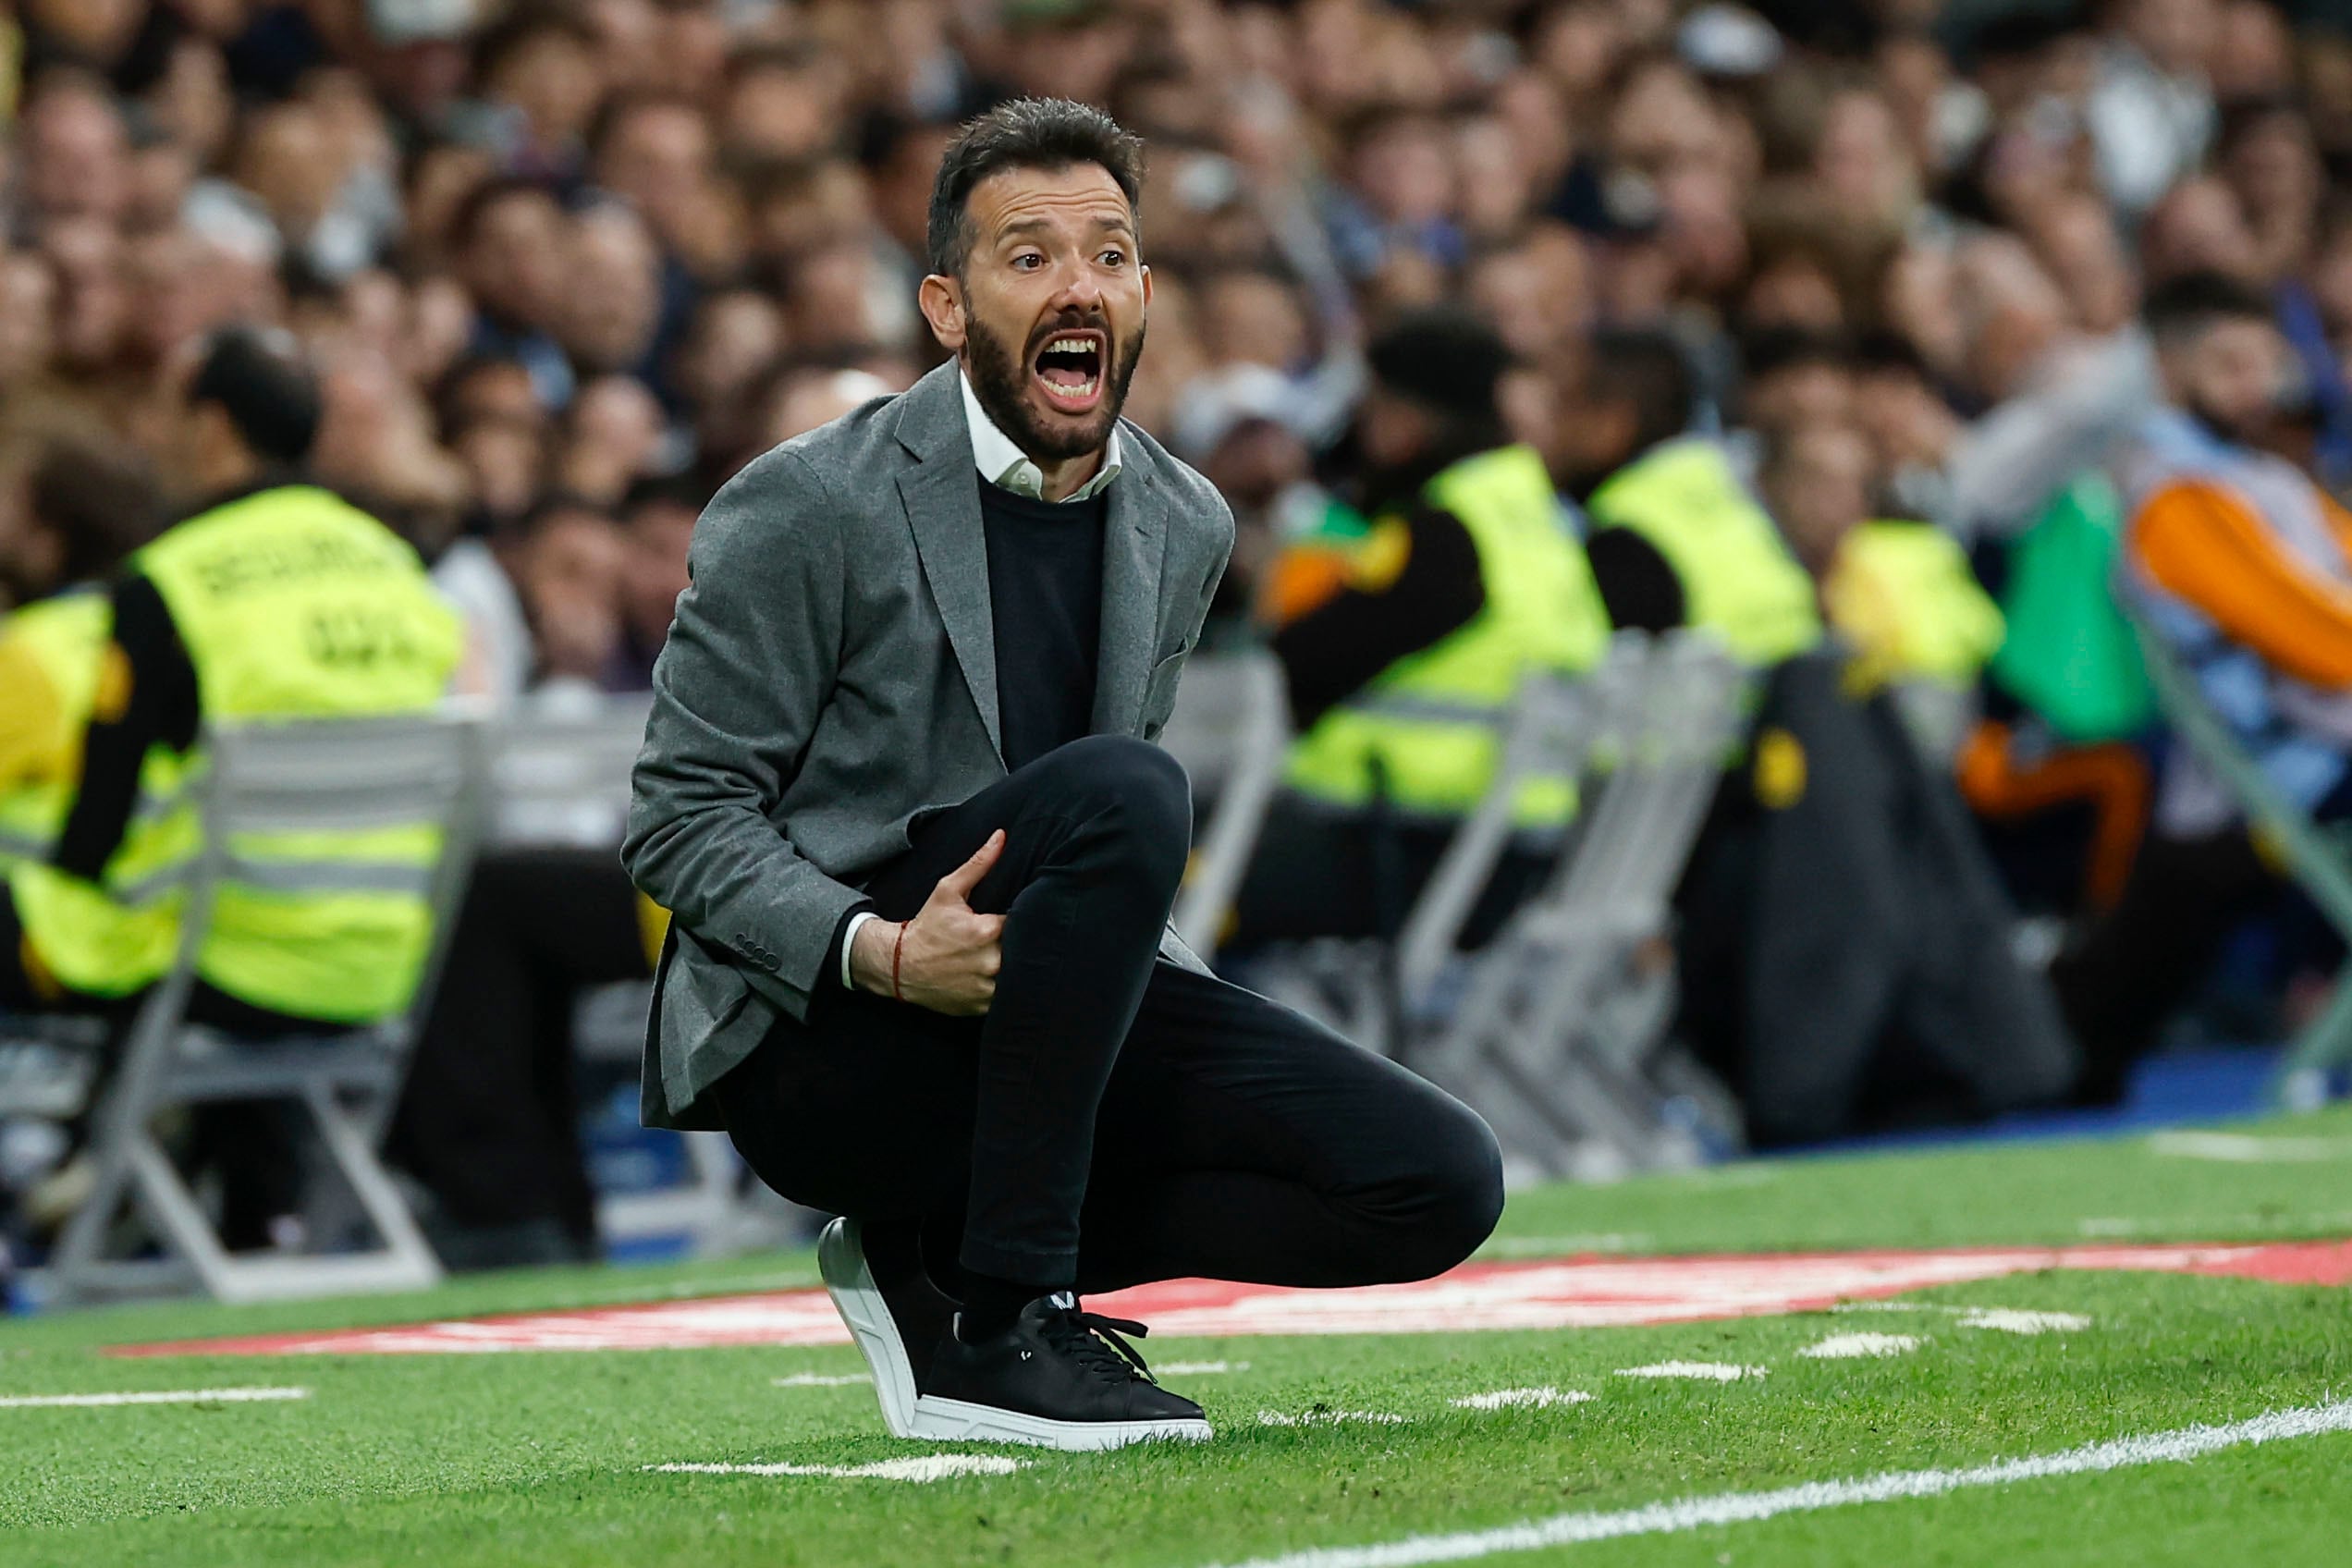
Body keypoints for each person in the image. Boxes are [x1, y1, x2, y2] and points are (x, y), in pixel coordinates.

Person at [623, 99, 1502, 1452]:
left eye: (1106, 254)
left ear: (1146, 294)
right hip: (834, 1042)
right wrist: (881, 952)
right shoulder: (806, 502)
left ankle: (934, 1264)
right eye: (1028, 256)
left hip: (1033, 1014)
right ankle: (1008, 1319)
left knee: (1437, 1182)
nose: (1076, 284)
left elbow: (1095, 843)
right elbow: (679, 820)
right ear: (944, 305)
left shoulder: (1183, 517)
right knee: (1132, 793)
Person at [0, 328, 460, 1248]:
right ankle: (250, 1212)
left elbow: (99, 825)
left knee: (71, 907)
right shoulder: (396, 567)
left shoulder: (173, 579)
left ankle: (55, 1168)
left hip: (222, 961)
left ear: (211, 425)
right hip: (381, 957)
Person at [1229, 309, 1611, 949]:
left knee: (1163, 880)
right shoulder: (1531, 517)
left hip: (1404, 850)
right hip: (1512, 853)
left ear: (1405, 418)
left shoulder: (1445, 531)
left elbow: (1299, 659)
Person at [2060, 271, 2352, 1099]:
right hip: (2280, 778)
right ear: (2169, 368)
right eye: (2228, 365)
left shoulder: (2265, 475)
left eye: (2264, 361)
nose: (2256, 384)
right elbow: (2322, 644)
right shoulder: (2176, 498)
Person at [1562, 330, 1823, 666]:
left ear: (1614, 421)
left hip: (1727, 710)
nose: (1556, 424)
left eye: (1567, 404)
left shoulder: (1624, 524)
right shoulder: (1726, 485)